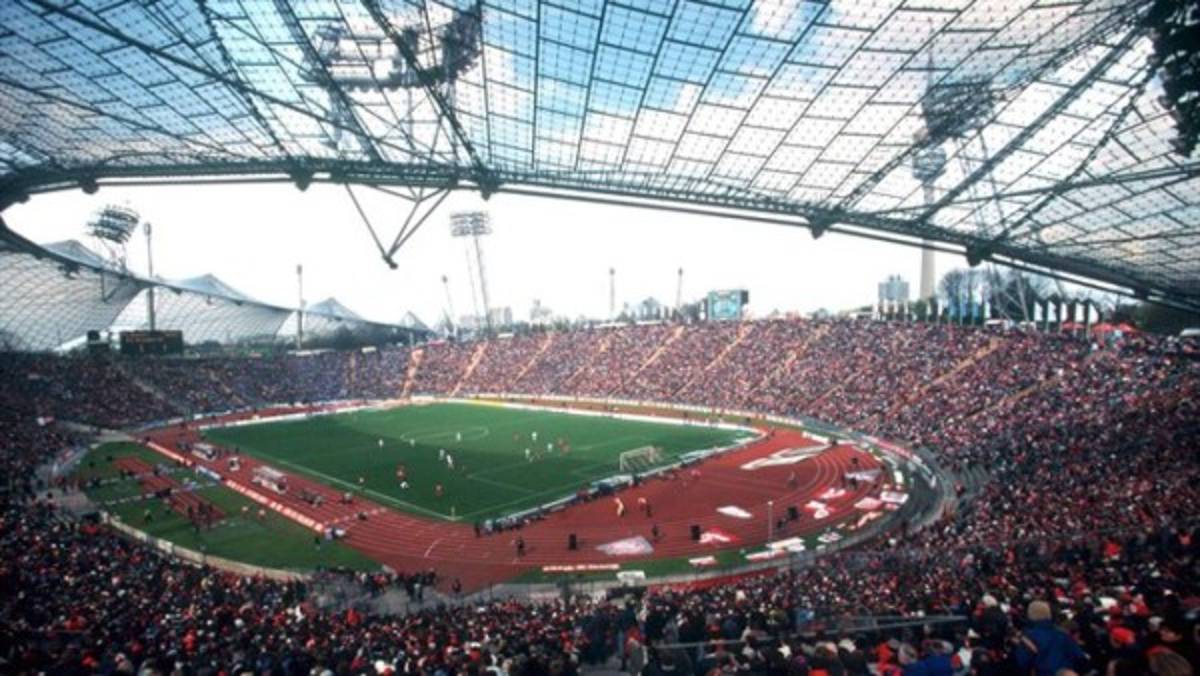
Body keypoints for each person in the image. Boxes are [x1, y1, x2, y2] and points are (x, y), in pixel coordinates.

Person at [1015, 600, 1086, 676]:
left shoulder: (1028, 637)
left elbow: (1022, 663)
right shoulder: (1062, 634)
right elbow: (1079, 657)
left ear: (1030, 615)